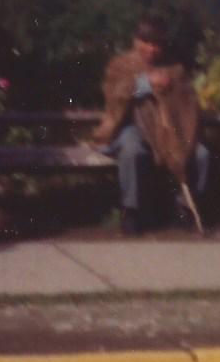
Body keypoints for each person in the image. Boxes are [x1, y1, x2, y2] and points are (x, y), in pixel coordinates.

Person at [86, 13, 212, 237]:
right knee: (132, 148)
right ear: (136, 40)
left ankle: (185, 208)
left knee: (201, 154)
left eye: (156, 44)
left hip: (168, 131)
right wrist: (144, 83)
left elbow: (187, 105)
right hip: (129, 128)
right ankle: (131, 211)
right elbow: (113, 96)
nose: (151, 49)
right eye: (146, 42)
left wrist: (169, 92)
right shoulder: (120, 65)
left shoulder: (175, 69)